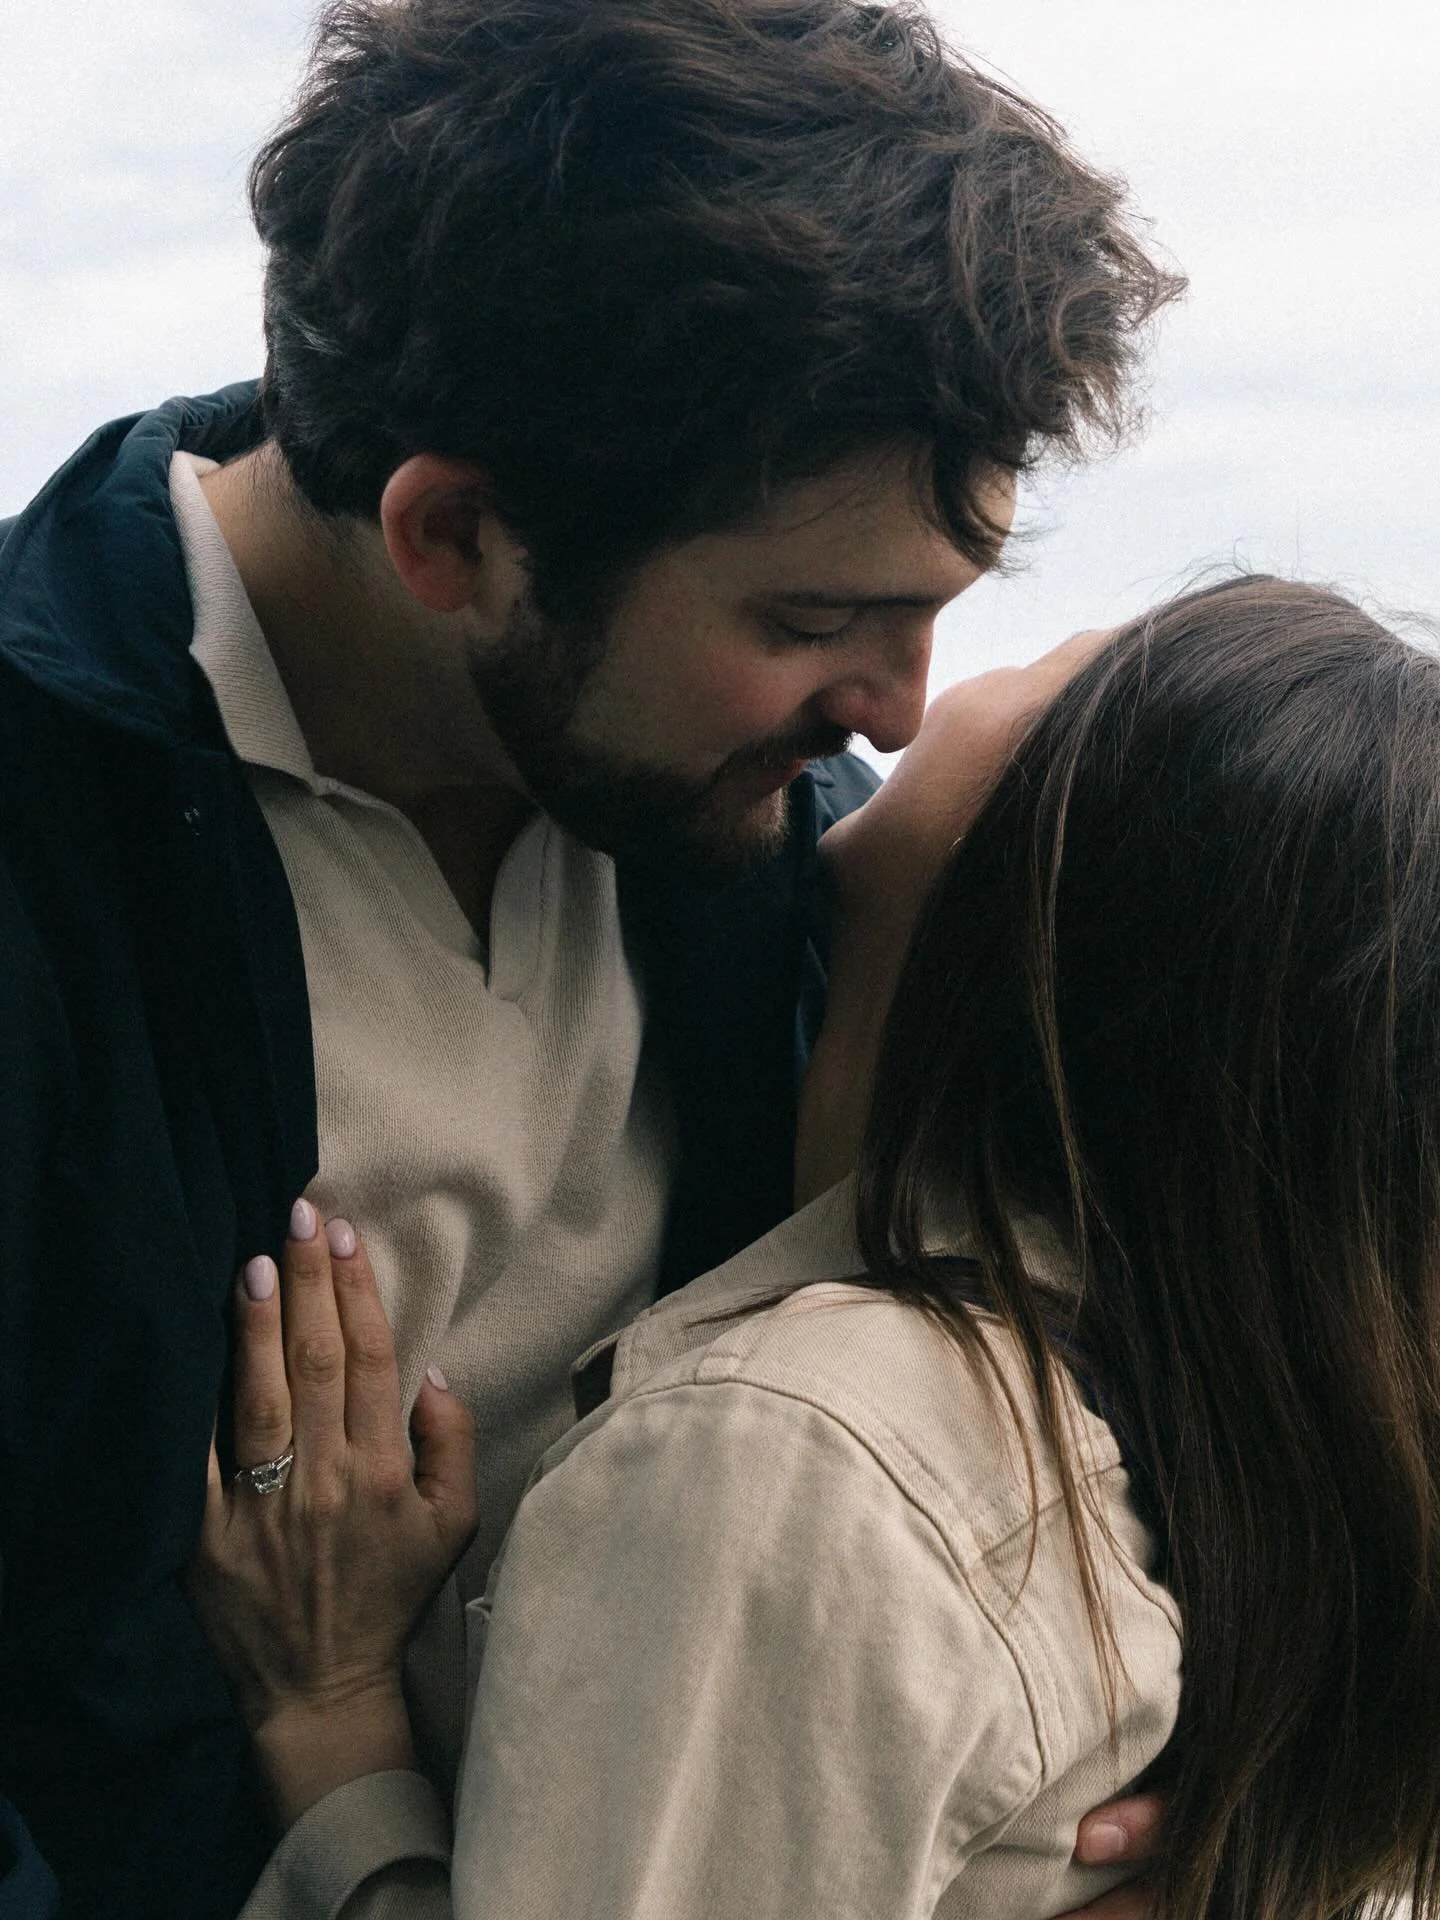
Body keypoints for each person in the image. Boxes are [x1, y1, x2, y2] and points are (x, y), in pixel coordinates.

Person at [0, 0, 1180, 1911]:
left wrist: (1219, 1796)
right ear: (451, 533)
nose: (891, 706)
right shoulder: (43, 860)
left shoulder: (746, 820)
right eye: (816, 617)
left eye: (941, 610)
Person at [192, 576, 1440, 1920]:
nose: (887, 721)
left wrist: (333, 1735)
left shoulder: (794, 1460)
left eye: (833, 942)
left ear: (1035, 966)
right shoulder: (1311, 1453)